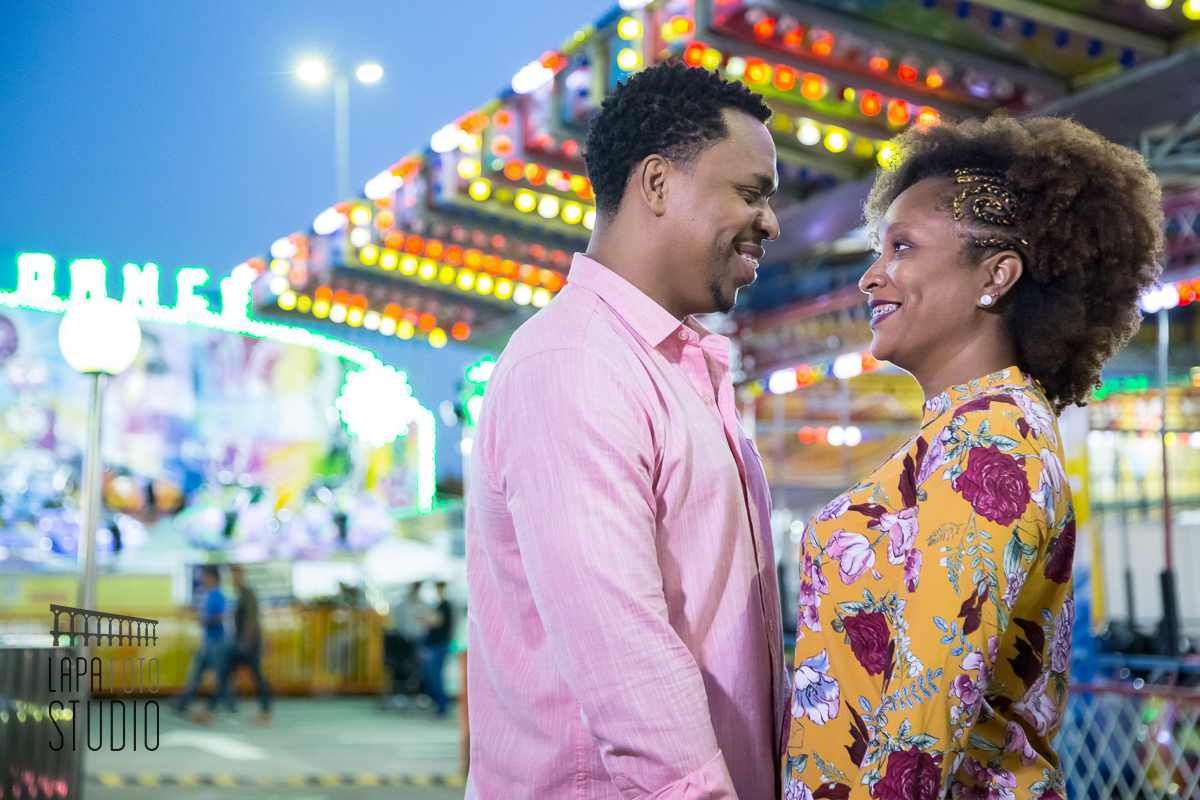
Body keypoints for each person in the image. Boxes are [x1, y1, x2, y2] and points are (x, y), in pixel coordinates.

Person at [785, 116, 1162, 799]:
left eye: (902, 247)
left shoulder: (990, 442)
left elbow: (927, 712)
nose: (873, 277)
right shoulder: (971, 430)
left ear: (996, 275)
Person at [467, 63, 786, 800]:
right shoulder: (575, 364)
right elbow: (626, 656)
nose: (770, 223)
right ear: (657, 184)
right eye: (750, 193)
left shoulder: (669, 367)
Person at [215, 564, 272, 726]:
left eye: (234, 575)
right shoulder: (238, 595)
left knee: (257, 677)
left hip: (249, 644)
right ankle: (210, 709)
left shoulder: (247, 595)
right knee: (225, 673)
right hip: (243, 643)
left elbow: (251, 621)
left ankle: (266, 713)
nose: (232, 579)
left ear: (240, 576)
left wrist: (244, 644)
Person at [177, 565, 226, 723]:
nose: (202, 579)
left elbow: (220, 618)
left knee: (221, 676)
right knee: (199, 673)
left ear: (213, 578)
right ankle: (184, 703)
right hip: (208, 642)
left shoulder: (219, 597)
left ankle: (223, 705)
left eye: (204, 576)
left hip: (217, 641)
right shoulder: (208, 595)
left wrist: (204, 620)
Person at [422, 581, 453, 718]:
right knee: (433, 676)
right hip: (438, 644)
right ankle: (440, 706)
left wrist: (424, 618)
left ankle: (441, 706)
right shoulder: (441, 605)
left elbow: (436, 622)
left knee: (435, 676)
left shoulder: (444, 605)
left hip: (439, 645)